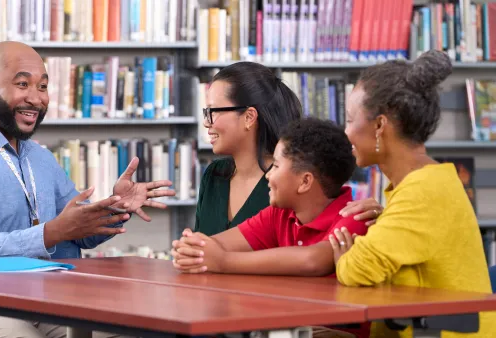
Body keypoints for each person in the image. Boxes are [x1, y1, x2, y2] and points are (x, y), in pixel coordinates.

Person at [0, 41, 175, 338]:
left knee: (122, 332)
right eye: (23, 84)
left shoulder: (40, 157)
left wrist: (115, 207)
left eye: (43, 87)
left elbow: (76, 230)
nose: (35, 99)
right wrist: (52, 232)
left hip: (38, 296)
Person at [330, 49, 496, 338]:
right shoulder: (425, 183)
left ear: (380, 126)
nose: (345, 132)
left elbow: (356, 269)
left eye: (349, 119)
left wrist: (347, 255)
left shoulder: (423, 192)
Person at [172, 117, 372, 338]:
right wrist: (192, 248)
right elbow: (216, 243)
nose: (268, 175)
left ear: (305, 182)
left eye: (275, 166)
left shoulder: (355, 215)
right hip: (288, 326)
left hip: (332, 331)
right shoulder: (279, 214)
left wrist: (222, 261)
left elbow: (314, 260)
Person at [196, 61, 382, 238]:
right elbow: (198, 250)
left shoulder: (288, 181)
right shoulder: (214, 175)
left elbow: (317, 249)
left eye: (213, 112)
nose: (206, 122)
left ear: (249, 117)